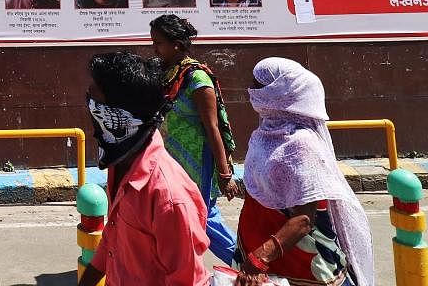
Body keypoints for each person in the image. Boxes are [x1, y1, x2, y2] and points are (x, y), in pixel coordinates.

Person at [237, 57, 374, 286]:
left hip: (300, 258)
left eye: (259, 85)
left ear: (280, 93)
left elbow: (304, 219)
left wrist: (262, 256)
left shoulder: (302, 144)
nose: (251, 90)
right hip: (255, 245)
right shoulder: (263, 132)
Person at [78, 51, 209, 286]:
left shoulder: (168, 197)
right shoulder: (122, 164)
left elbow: (187, 280)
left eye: (95, 96)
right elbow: (113, 238)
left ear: (117, 113)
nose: (89, 101)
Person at [149, 14, 239, 264]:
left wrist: (224, 174)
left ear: (176, 44)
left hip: (198, 163)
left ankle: (245, 266)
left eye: (159, 43)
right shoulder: (168, 74)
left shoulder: (197, 79)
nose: (154, 48)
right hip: (173, 162)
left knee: (204, 216)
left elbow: (213, 128)